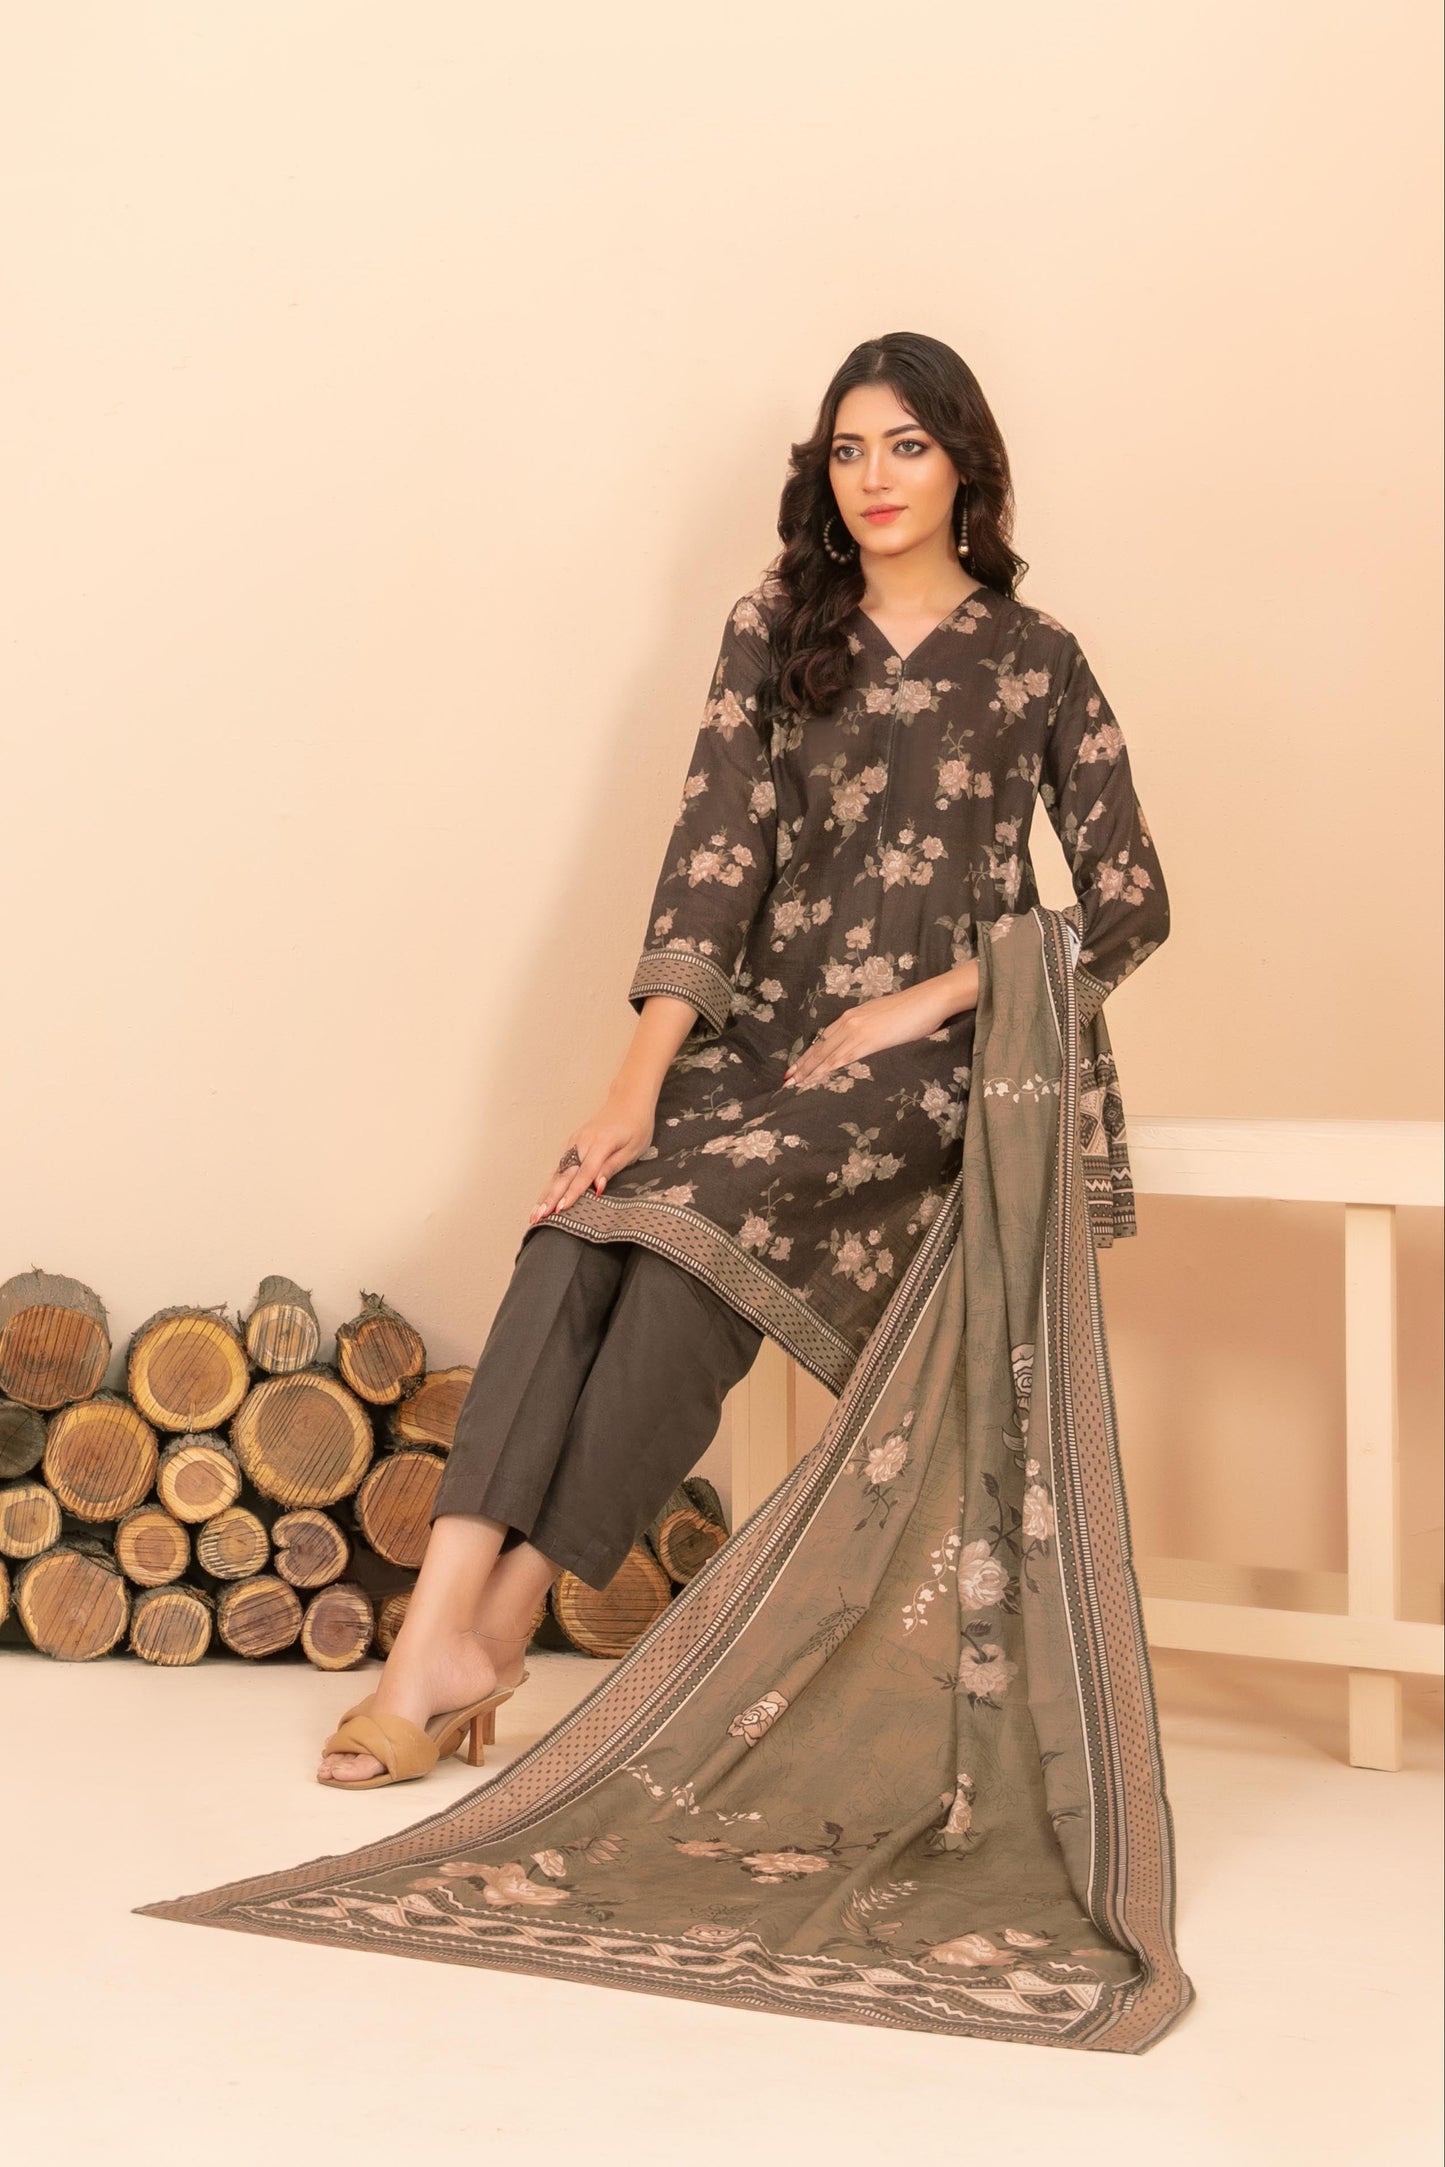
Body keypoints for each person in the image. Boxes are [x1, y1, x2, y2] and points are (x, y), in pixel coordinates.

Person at [317, 330, 1169, 1786]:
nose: (874, 477)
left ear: (964, 464)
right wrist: (633, 1087)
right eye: (848, 449)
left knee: (695, 1236)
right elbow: (713, 860)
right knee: (579, 1225)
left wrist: (927, 1002)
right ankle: (435, 1636)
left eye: (906, 445)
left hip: (927, 1066)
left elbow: (1130, 900)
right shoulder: (776, 628)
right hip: (760, 1038)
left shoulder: (1036, 659)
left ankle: (497, 1628)